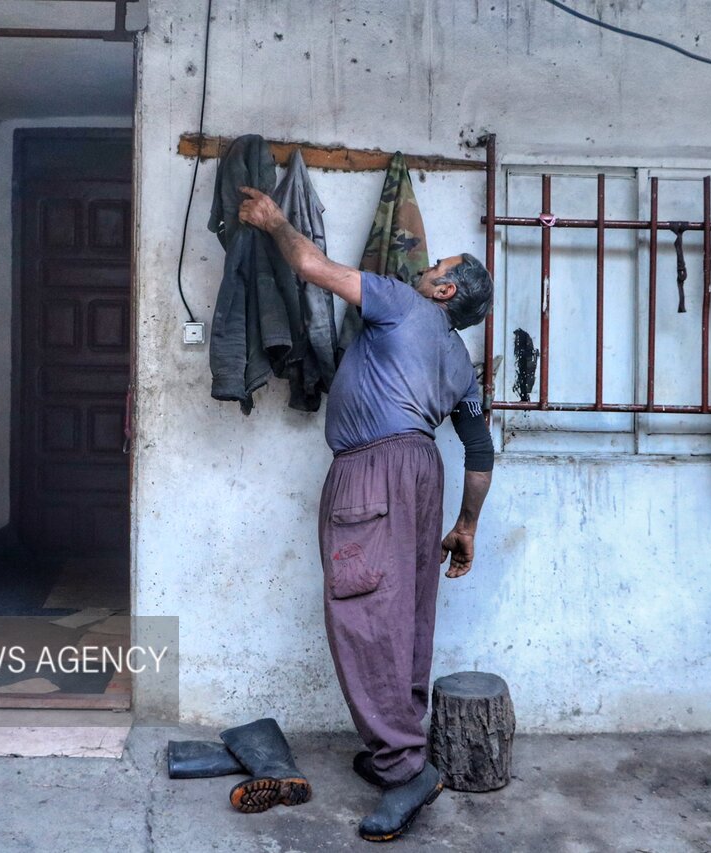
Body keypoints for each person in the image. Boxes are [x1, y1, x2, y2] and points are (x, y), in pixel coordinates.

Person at [237, 186, 495, 842]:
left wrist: (274, 220)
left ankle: (405, 767)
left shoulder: (402, 302)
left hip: (372, 470)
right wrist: (466, 525)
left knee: (365, 616)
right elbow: (479, 449)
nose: (425, 267)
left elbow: (311, 266)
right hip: (423, 473)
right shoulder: (459, 362)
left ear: (444, 292)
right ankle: (395, 753)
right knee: (403, 612)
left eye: (437, 267)